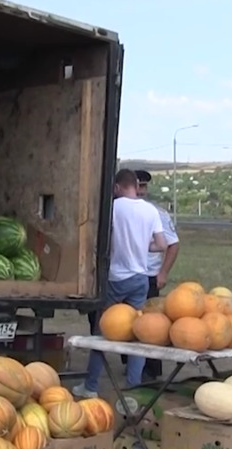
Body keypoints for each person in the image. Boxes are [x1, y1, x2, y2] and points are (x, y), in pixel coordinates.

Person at [73, 169, 167, 398]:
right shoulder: (150, 210)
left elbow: (100, 239)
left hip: (115, 278)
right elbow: (162, 245)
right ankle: (133, 385)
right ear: (136, 185)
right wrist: (144, 247)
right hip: (140, 279)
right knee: (138, 332)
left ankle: (91, 386)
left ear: (116, 187)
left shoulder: (112, 208)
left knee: (102, 331)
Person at [135, 169, 180, 379]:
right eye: (137, 186)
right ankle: (132, 364)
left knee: (152, 324)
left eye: (144, 186)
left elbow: (173, 245)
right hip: (124, 275)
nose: (141, 191)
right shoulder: (117, 209)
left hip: (149, 275)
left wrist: (163, 273)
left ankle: (152, 370)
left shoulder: (157, 213)